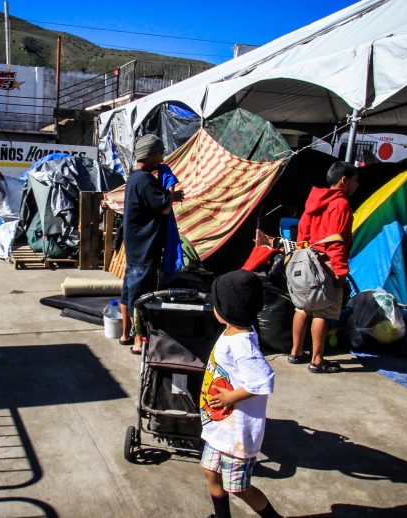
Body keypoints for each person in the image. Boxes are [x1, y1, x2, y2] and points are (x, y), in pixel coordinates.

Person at [200, 270, 282, 518]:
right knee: (210, 473)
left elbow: (263, 381)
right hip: (221, 428)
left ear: (228, 310)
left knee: (238, 487)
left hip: (237, 432)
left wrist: (229, 398)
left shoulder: (242, 343)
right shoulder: (232, 331)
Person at [289, 162, 359, 374]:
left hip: (306, 259)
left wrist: (302, 256)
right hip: (327, 262)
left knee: (302, 307)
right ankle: (317, 361)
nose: (357, 185)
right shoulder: (340, 205)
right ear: (343, 180)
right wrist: (340, 271)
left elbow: (302, 231)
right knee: (323, 311)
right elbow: (336, 241)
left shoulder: (314, 201)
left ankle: (296, 352)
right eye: (356, 181)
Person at [119, 134, 184, 353]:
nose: (162, 158)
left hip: (135, 246)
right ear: (151, 155)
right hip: (145, 247)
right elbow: (164, 207)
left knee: (128, 291)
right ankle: (139, 341)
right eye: (160, 153)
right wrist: (173, 191)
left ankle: (124, 333)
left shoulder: (134, 178)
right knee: (141, 296)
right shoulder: (146, 180)